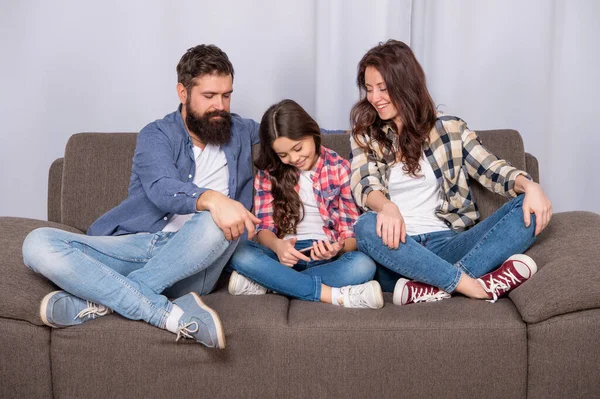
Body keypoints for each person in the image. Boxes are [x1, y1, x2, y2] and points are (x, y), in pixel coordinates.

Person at [21, 44, 262, 348]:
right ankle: (164, 312)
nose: (220, 106)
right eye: (209, 96)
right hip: (137, 246)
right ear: (182, 93)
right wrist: (214, 198)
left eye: (226, 95)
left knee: (220, 222)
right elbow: (162, 188)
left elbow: (299, 132)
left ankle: (105, 302)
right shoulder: (157, 134)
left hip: (198, 261)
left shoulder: (240, 130)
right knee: (37, 244)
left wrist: (343, 139)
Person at [349, 40, 552, 306]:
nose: (374, 98)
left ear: (405, 85)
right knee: (365, 226)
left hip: (446, 244)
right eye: (369, 89)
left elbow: (492, 169)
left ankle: (431, 287)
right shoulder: (365, 134)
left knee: (528, 208)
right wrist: (387, 207)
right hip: (396, 249)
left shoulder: (449, 129)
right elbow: (364, 184)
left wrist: (531, 186)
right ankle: (471, 285)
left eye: (383, 88)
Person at [228, 99, 383, 309]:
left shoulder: (340, 168)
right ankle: (328, 293)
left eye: (298, 148)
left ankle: (271, 283)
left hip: (324, 256)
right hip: (281, 255)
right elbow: (264, 229)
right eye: (283, 154)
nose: (294, 158)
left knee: (363, 265)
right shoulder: (268, 174)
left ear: (312, 132)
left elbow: (351, 235)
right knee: (240, 251)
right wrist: (278, 246)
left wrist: (335, 249)